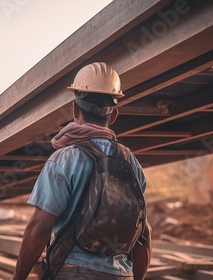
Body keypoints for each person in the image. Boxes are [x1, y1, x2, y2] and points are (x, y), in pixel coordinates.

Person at [11, 62, 151, 280]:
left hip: (73, 271)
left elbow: (39, 227)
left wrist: (18, 277)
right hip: (121, 274)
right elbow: (143, 232)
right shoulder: (130, 161)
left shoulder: (64, 158)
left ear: (75, 109)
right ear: (112, 116)